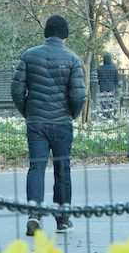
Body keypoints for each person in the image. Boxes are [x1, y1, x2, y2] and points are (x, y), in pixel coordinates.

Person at [11, 14, 86, 236]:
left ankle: (34, 214)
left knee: (36, 167)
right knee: (63, 169)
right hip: (62, 123)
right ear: (66, 35)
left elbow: (16, 90)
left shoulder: (29, 56)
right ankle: (62, 220)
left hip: (36, 122)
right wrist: (71, 114)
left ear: (46, 32)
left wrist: (28, 111)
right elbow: (79, 96)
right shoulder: (72, 60)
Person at [95, 54, 119, 119]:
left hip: (102, 87)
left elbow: (97, 78)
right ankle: (110, 112)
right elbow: (117, 79)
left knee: (103, 100)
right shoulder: (114, 69)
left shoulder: (99, 69)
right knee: (111, 100)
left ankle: (104, 112)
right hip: (111, 87)